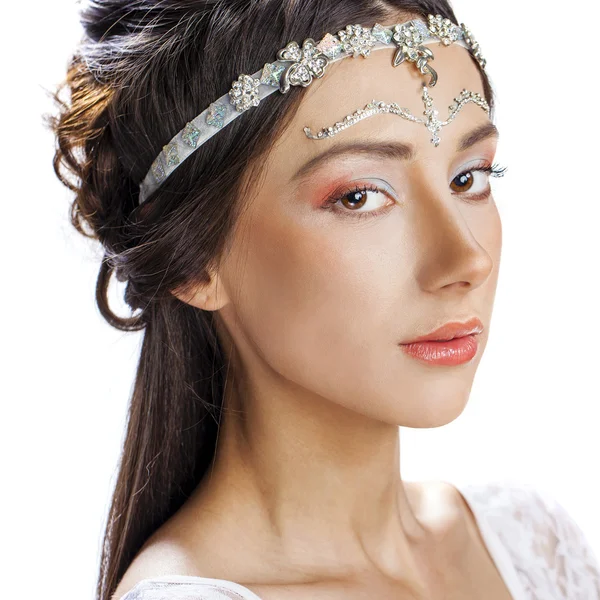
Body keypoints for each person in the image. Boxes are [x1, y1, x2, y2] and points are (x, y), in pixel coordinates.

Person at [46, 1, 600, 599]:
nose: (467, 260)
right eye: (360, 196)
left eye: (469, 178)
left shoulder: (532, 546)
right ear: (194, 259)